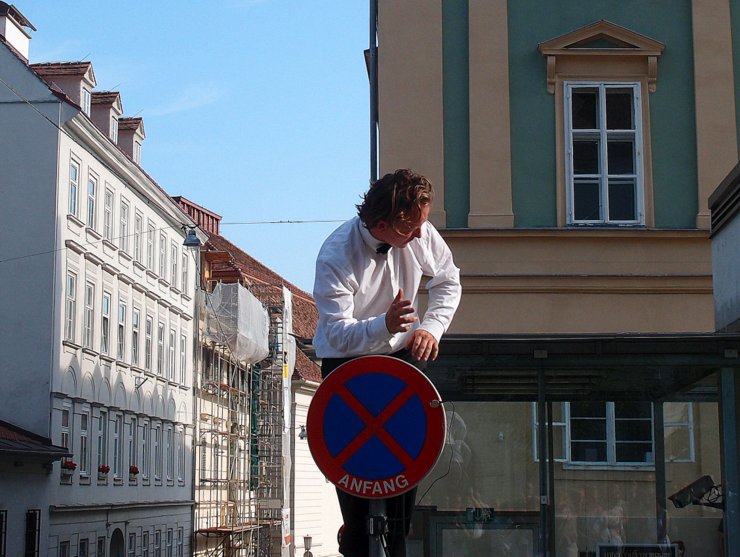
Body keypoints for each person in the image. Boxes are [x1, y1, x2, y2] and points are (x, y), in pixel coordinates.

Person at [313, 168, 462, 557]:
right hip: (345, 364)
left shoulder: (418, 227)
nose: (419, 236)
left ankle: (395, 545)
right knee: (355, 484)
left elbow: (448, 279)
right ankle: (357, 542)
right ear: (382, 224)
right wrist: (384, 324)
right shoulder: (336, 255)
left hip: (401, 356)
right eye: (411, 230)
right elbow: (337, 334)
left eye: (421, 227)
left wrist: (432, 328)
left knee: (403, 479)